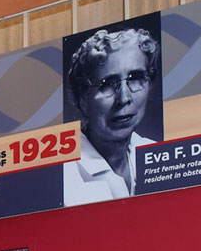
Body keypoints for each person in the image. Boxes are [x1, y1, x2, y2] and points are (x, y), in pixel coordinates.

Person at [62, 27, 160, 206]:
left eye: (135, 78)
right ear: (82, 98)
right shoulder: (62, 177)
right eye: (107, 84)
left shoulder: (156, 156)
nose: (123, 98)